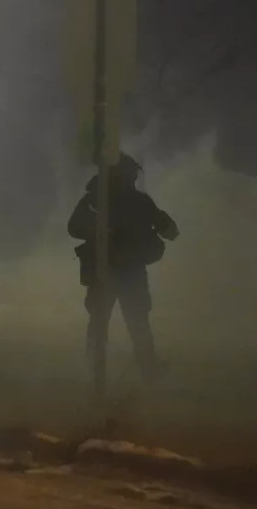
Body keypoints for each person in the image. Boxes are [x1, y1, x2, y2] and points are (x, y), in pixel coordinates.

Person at [68, 152, 179, 383]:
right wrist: (100, 230)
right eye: (130, 174)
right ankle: (103, 372)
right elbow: (75, 227)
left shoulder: (115, 200)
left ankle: (122, 371)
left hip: (122, 271)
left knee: (119, 322)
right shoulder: (101, 201)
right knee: (120, 322)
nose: (133, 178)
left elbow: (169, 230)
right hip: (112, 271)